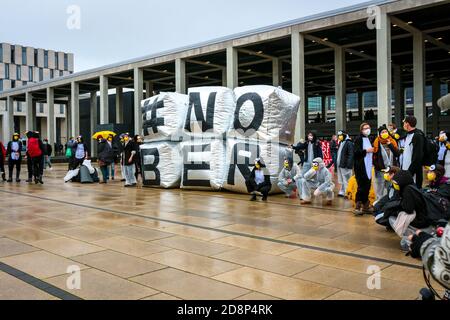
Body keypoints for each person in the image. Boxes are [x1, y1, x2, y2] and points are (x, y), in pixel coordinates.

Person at [389, 170, 432, 251]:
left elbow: (408, 209)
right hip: (423, 218)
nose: (395, 184)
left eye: (396, 182)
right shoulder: (411, 187)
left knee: (393, 218)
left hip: (420, 221)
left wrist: (399, 207)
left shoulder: (408, 191)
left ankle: (410, 241)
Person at [373, 125, 400, 201]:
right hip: (380, 170)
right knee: (380, 187)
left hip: (391, 170)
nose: (384, 133)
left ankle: (389, 201)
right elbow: (374, 157)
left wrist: (390, 145)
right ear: (380, 134)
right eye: (382, 132)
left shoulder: (392, 141)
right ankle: (379, 202)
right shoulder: (376, 142)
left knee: (390, 186)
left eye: (385, 131)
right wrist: (379, 167)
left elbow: (397, 154)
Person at [353, 123, 375, 215]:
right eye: (365, 128)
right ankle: (357, 206)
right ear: (361, 130)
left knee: (367, 186)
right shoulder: (358, 139)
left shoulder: (368, 139)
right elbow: (356, 152)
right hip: (361, 167)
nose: (367, 129)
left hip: (368, 166)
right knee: (361, 187)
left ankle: (366, 205)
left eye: (368, 127)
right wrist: (366, 151)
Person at [401, 116, 425, 188]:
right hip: (406, 171)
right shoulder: (408, 135)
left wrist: (409, 173)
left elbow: (418, 156)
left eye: (404, 123)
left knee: (413, 193)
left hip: (413, 173)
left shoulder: (417, 135)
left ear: (407, 124)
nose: (403, 125)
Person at [336, 130, 354, 198]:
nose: (339, 137)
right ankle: (342, 191)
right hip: (341, 164)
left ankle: (348, 192)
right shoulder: (341, 142)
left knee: (347, 179)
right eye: (339, 135)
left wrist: (349, 165)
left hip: (346, 165)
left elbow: (351, 154)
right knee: (342, 179)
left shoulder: (349, 143)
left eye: (341, 135)